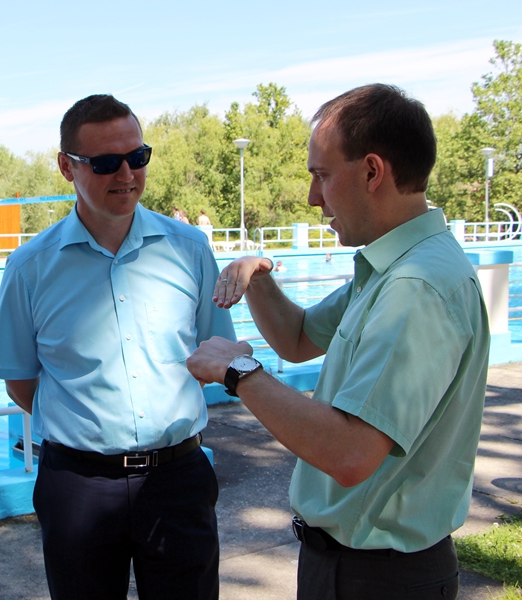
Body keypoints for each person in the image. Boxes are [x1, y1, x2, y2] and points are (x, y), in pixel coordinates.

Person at [186, 84, 489, 599]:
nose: (313, 197)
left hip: (379, 578)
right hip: (358, 568)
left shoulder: (415, 286)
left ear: (372, 172)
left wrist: (239, 372)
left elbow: (351, 453)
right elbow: (298, 338)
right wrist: (258, 277)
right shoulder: (395, 268)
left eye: (322, 175)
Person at [0, 94, 234, 600]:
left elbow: (218, 351)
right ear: (66, 167)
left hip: (178, 480)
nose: (126, 173)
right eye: (105, 163)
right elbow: (21, 382)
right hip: (78, 487)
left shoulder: (190, 250)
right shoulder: (29, 268)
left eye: (137, 157)